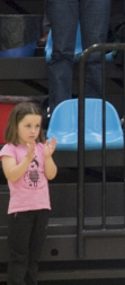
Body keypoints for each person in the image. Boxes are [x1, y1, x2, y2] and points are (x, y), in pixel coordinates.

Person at [1, 102, 57, 285]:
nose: (33, 130)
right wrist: (27, 159)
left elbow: (51, 174)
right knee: (19, 257)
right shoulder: (9, 149)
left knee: (34, 257)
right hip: (21, 211)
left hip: (42, 208)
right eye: (28, 126)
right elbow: (11, 174)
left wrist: (47, 157)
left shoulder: (41, 148)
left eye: (37, 126)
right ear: (16, 125)